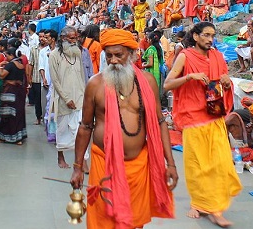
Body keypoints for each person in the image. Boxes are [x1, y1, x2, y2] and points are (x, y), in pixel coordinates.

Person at [69, 29, 176, 228]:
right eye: (109, 55)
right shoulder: (95, 84)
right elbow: (85, 127)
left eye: (119, 55)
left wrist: (170, 163)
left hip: (139, 165)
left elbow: (160, 122)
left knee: (134, 222)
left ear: (132, 54)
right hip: (104, 163)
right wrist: (77, 167)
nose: (114, 60)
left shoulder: (148, 81)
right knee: (104, 220)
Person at [164, 22, 241, 228]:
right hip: (193, 119)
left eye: (212, 35)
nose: (210, 39)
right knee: (198, 166)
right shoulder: (185, 56)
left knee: (221, 163)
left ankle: (210, 205)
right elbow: (167, 84)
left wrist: (226, 82)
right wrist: (189, 76)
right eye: (206, 35)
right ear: (196, 36)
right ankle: (204, 205)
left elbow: (225, 84)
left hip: (214, 117)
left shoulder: (217, 56)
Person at [49, 26, 87, 168]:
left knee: (81, 131)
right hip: (63, 100)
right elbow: (55, 81)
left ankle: (81, 160)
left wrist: (84, 94)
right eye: (72, 38)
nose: (74, 41)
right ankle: (61, 157)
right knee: (62, 129)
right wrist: (66, 99)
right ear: (63, 38)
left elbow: (82, 75)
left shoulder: (78, 53)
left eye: (76, 38)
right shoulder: (54, 55)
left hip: (79, 97)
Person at [0, 47, 28, 144]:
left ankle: (6, 136)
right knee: (18, 113)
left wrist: (0, 66)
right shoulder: (21, 64)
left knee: (7, 113)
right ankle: (19, 138)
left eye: (7, 55)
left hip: (10, 91)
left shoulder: (10, 65)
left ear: (11, 55)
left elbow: (1, 76)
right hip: (19, 91)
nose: (6, 57)